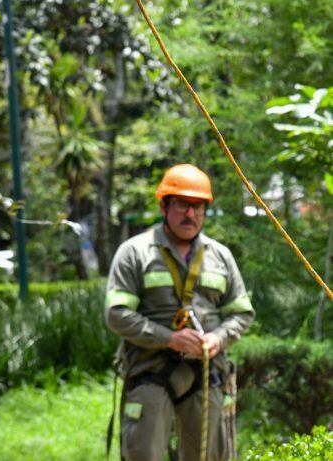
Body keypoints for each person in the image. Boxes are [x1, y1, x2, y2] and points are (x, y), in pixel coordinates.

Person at [105, 164, 254, 461]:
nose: (191, 214)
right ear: (164, 206)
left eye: (198, 207)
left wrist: (217, 339)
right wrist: (168, 338)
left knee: (209, 455)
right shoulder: (135, 252)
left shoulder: (220, 256)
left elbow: (241, 313)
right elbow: (117, 314)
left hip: (206, 373)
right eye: (183, 205)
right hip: (150, 371)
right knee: (143, 453)